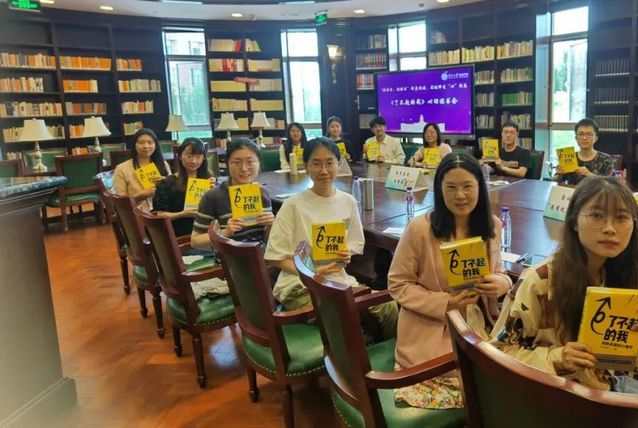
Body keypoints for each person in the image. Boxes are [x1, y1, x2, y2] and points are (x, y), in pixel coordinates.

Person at [491, 176, 638, 427]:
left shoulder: (628, 276)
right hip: (554, 399)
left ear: (634, 225)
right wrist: (557, 357)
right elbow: (497, 355)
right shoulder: (541, 280)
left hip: (605, 385)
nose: (610, 228)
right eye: (597, 215)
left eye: (621, 217)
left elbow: (636, 366)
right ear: (574, 221)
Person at [388, 153, 512, 409]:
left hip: (480, 322)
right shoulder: (420, 229)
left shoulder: (491, 225)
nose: (460, 195)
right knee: (478, 388)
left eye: (468, 186)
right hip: (434, 328)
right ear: (439, 189)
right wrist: (447, 303)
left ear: (480, 187)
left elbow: (499, 270)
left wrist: (502, 283)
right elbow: (398, 284)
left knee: (514, 377)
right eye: (451, 187)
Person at [264, 137, 397, 337]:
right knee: (344, 315)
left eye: (329, 163)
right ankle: (355, 354)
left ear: (339, 164)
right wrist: (311, 272)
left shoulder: (348, 201)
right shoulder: (293, 205)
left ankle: (387, 355)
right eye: (316, 164)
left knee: (389, 306)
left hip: (338, 281)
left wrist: (346, 252)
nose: (324, 170)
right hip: (299, 285)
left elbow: (355, 243)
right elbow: (276, 257)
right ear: (306, 166)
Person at [191, 138, 274, 249]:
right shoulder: (212, 196)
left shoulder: (263, 193)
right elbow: (195, 241)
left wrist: (270, 226)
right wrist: (225, 232)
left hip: (260, 254)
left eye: (250, 162)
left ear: (259, 163)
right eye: (236, 162)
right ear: (227, 164)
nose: (244, 168)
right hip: (228, 256)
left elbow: (267, 240)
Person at [152, 138, 214, 238]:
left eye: (198, 157)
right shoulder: (167, 183)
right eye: (189, 156)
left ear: (204, 158)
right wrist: (182, 214)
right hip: (181, 235)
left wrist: (214, 192)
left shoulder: (209, 180)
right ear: (180, 156)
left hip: (207, 233)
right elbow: (159, 215)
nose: (194, 161)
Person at [112, 128, 170, 203]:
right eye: (141, 142)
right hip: (137, 209)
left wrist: (167, 184)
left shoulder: (163, 164)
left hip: (162, 207)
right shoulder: (121, 169)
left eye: (150, 142)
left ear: (155, 145)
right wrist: (142, 195)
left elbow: (172, 194)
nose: (146, 146)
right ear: (134, 145)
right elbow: (120, 202)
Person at [553, 118, 615, 185]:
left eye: (589, 134)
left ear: (596, 138)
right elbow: (553, 181)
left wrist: (590, 175)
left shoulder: (606, 160)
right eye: (581, 134)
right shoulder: (570, 157)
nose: (584, 138)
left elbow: (612, 185)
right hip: (573, 191)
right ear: (576, 138)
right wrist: (559, 175)